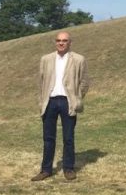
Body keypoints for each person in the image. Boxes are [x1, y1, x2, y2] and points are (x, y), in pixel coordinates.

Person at [31, 31, 90, 182]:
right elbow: (41, 82)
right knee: (48, 138)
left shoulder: (78, 59)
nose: (61, 43)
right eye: (58, 40)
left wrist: (77, 98)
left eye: (64, 40)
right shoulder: (46, 59)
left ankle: (68, 168)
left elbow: (84, 82)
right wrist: (41, 100)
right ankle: (46, 170)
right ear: (55, 42)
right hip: (49, 102)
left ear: (70, 42)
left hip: (68, 102)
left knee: (68, 137)